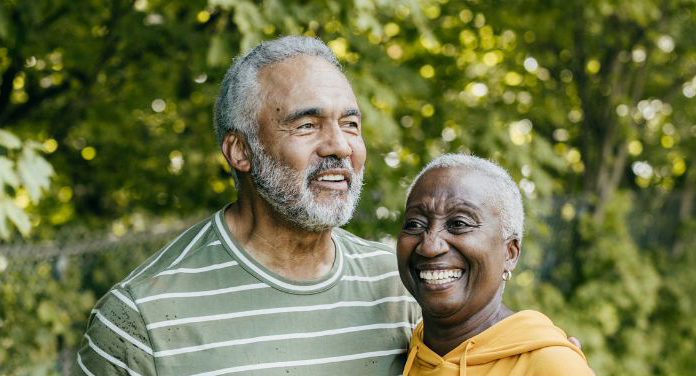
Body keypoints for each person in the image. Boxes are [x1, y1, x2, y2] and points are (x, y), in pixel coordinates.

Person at [76, 36, 420, 376]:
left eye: (350, 125)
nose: (340, 147)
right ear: (240, 151)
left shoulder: (399, 285)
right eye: (307, 126)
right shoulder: (140, 317)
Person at [397, 154, 593, 375]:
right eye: (415, 224)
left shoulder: (549, 364)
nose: (430, 246)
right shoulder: (397, 354)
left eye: (459, 223)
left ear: (510, 253)